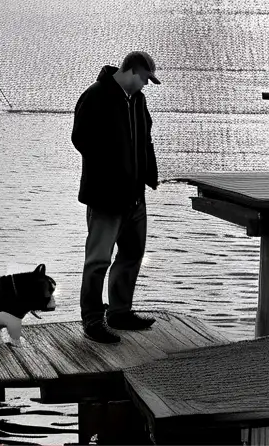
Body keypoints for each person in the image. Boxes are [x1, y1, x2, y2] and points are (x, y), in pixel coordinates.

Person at [71, 51, 160, 344]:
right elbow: (80, 139)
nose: (147, 85)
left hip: (135, 196)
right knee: (98, 260)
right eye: (146, 79)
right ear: (133, 72)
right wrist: (112, 172)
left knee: (132, 253)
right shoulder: (95, 95)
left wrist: (149, 175)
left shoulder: (138, 101)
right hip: (106, 197)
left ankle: (119, 312)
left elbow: (144, 138)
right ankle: (93, 320)